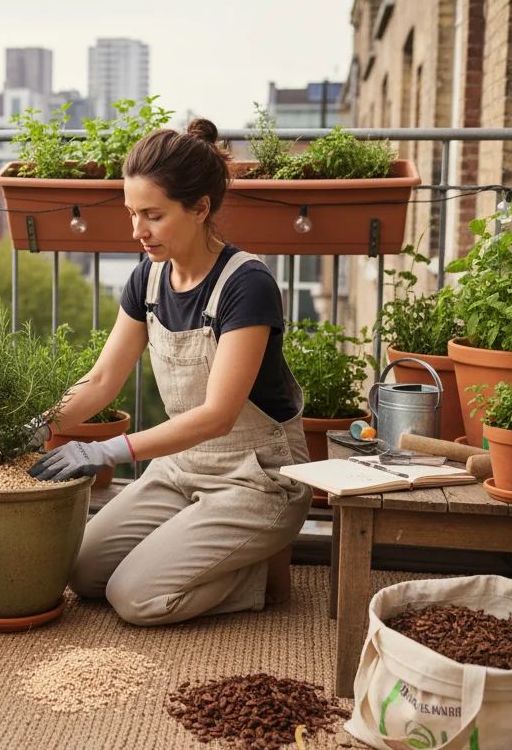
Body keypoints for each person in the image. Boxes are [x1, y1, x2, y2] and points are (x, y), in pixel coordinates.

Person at [26, 118, 312, 627]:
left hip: (256, 478)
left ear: (201, 208)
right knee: (84, 573)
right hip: (180, 468)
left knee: (134, 599)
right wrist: (38, 426)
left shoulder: (247, 285)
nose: (137, 231)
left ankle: (258, 576)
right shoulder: (148, 278)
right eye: (132, 213)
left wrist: (105, 450)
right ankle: (195, 543)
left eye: (153, 215)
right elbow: (101, 382)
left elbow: (219, 416)